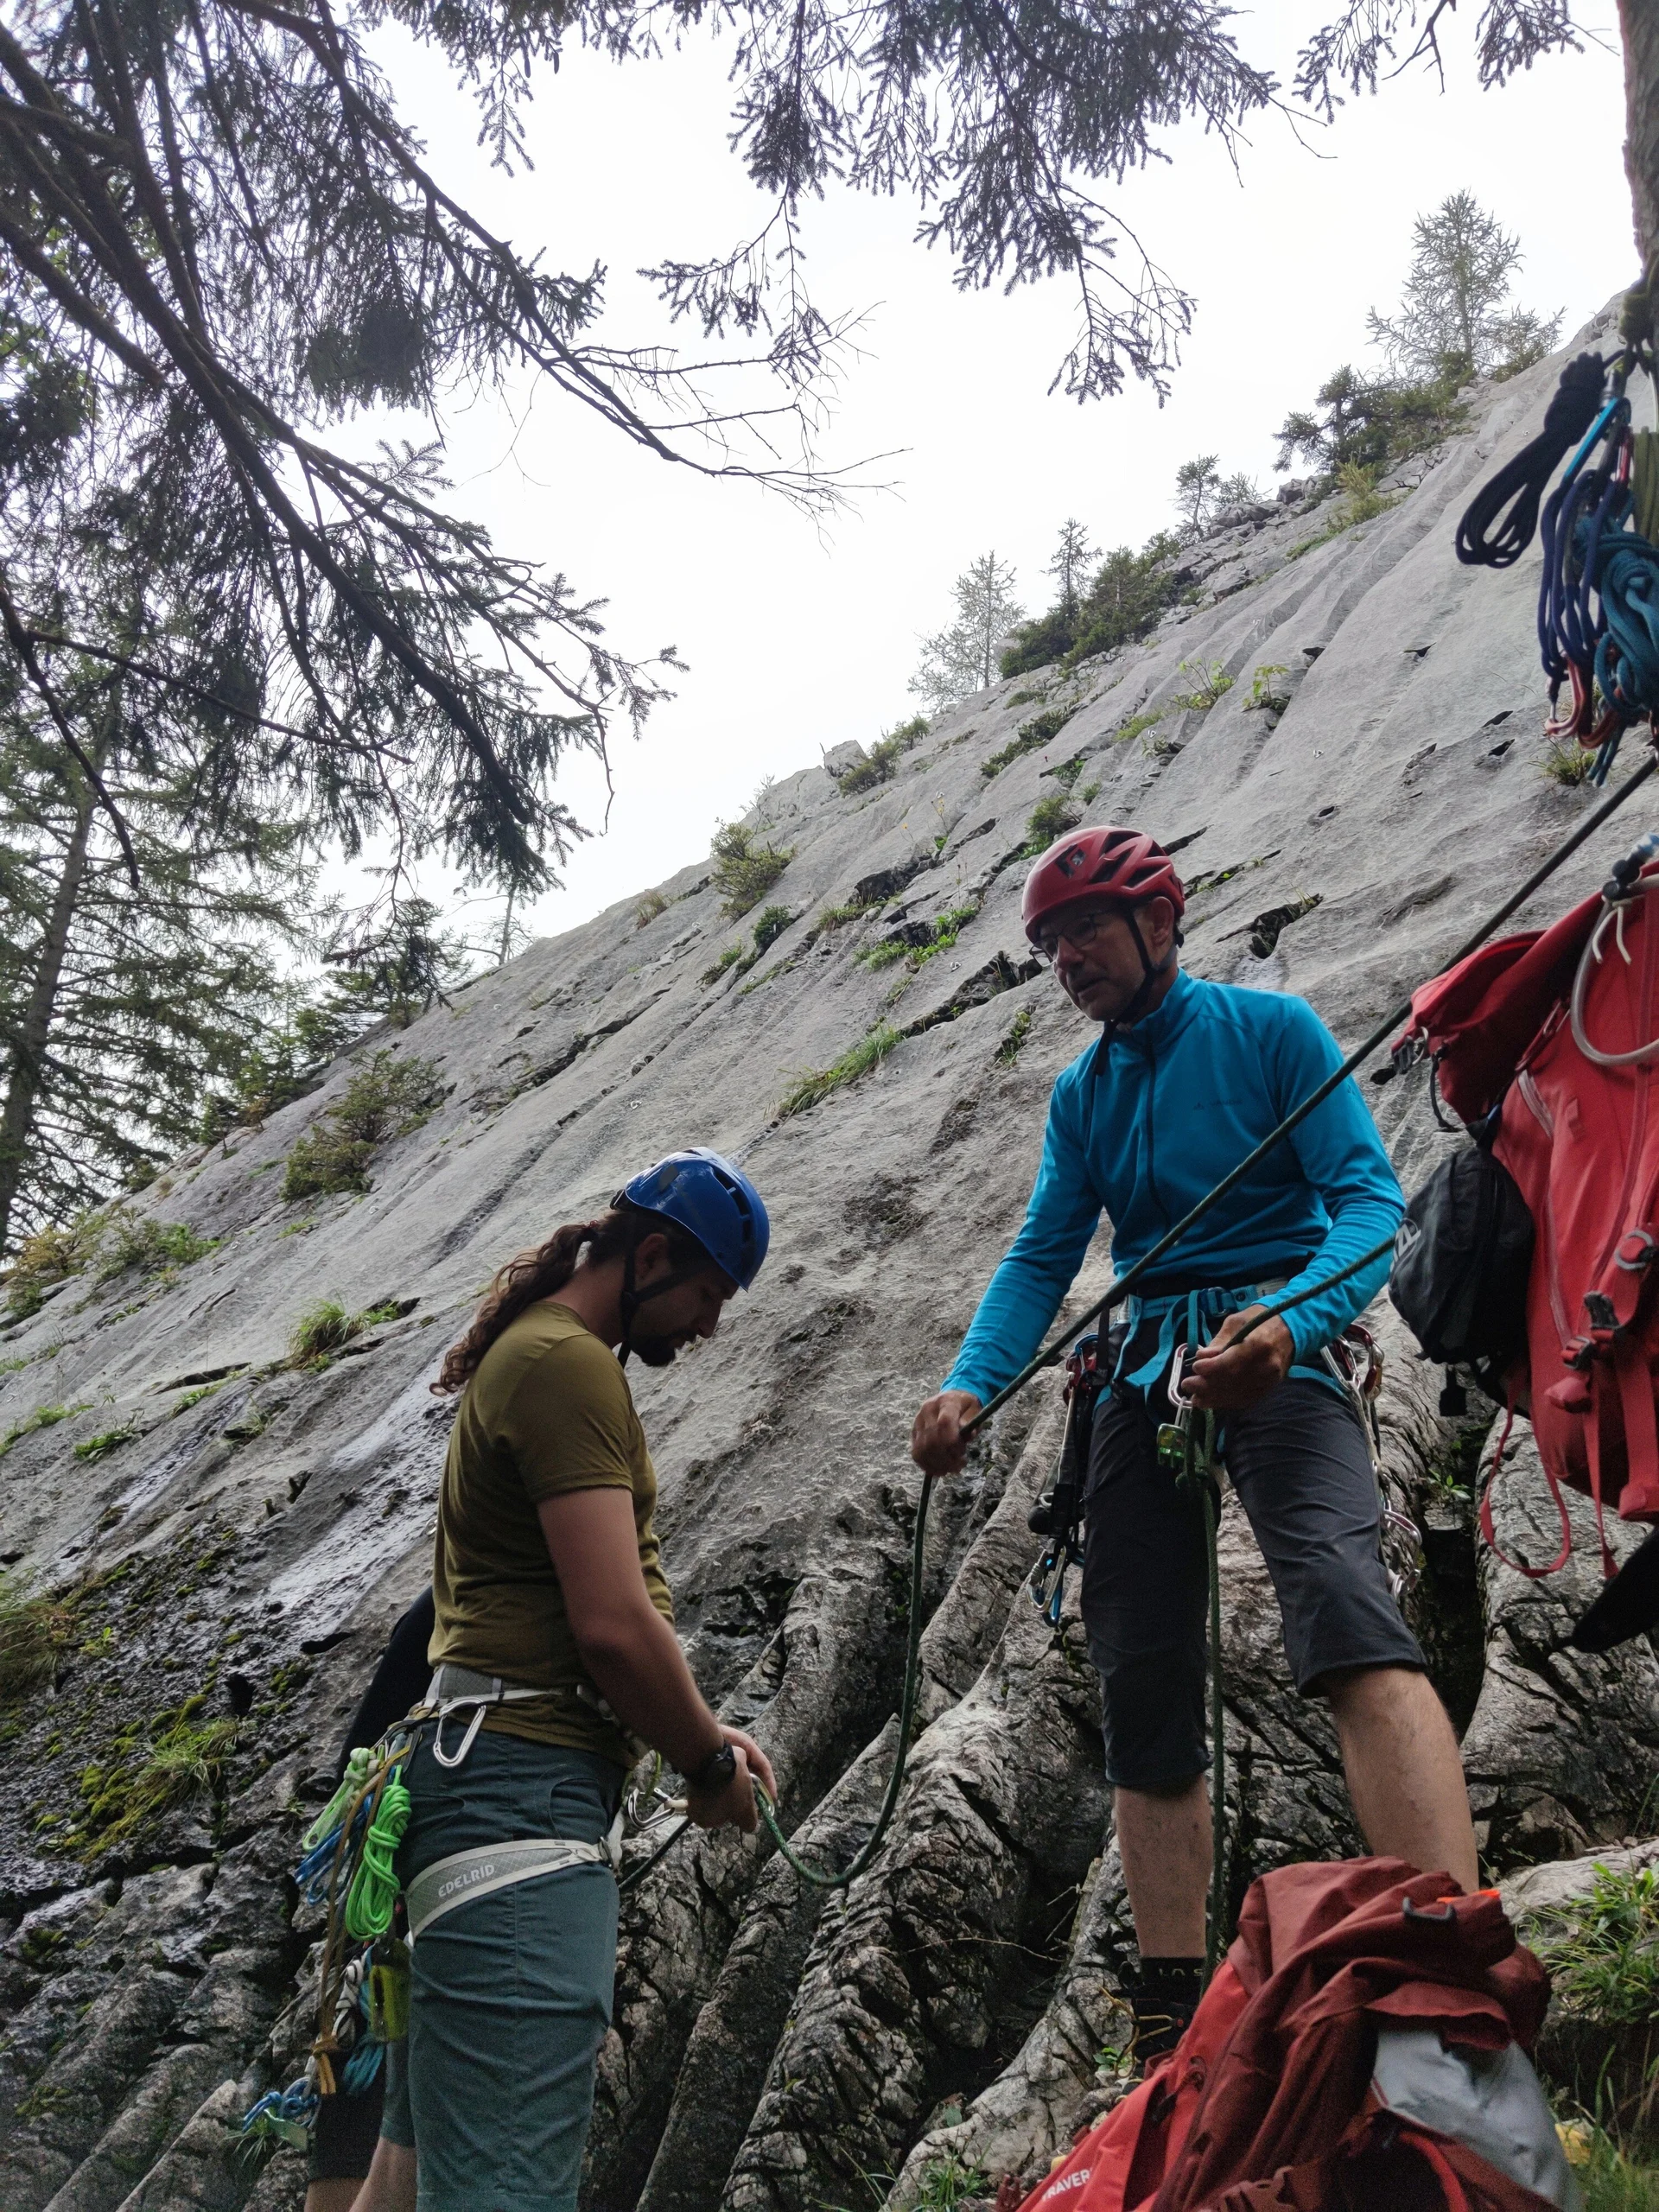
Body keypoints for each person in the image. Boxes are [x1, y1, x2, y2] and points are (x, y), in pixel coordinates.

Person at [911, 826, 1478, 2060]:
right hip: (1140, 1371)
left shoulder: (1273, 1033)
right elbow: (1043, 1253)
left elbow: (1369, 1203)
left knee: (1340, 1595)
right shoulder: (1083, 1095)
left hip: (1277, 1342)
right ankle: (1170, 2013)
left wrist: (1290, 1323)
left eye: (1086, 930)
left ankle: (1452, 1941)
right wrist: (970, 1382)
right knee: (1139, 1665)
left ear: (1160, 923)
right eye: (1050, 944)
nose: (1068, 960)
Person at [344, 1149, 779, 2212]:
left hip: (473, 1794)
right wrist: (705, 1763)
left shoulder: (538, 1351)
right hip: (519, 1816)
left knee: (407, 2176)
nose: (709, 1325)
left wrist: (701, 1729)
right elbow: (613, 1628)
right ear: (654, 1255)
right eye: (708, 1295)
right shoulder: (567, 1366)